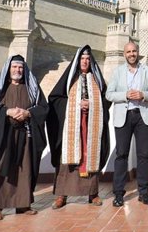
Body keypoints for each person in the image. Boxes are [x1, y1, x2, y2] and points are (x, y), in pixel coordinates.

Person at [0, 55, 48, 221]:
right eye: (14, 67)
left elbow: (43, 108)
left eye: (20, 67)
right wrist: (6, 112)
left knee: (24, 169)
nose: (18, 70)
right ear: (9, 69)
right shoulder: (0, 87)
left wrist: (28, 113)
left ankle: (22, 204)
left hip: (25, 134)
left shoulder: (32, 87)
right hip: (3, 135)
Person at [47, 45, 111, 209]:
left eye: (88, 59)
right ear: (78, 61)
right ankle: (62, 195)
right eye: (82, 59)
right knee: (67, 159)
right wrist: (76, 104)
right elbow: (55, 99)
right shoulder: (69, 79)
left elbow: (106, 99)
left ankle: (93, 194)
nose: (85, 61)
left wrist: (92, 104)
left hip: (91, 126)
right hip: (72, 126)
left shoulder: (96, 79)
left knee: (90, 155)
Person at [105, 42, 148, 207]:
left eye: (134, 51)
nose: (131, 54)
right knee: (122, 155)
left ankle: (144, 192)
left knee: (143, 155)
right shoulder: (118, 72)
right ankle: (119, 194)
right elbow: (109, 94)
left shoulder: (147, 70)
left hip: (143, 117)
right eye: (128, 52)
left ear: (138, 52)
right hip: (124, 116)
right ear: (124, 54)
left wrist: (143, 94)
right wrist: (125, 95)